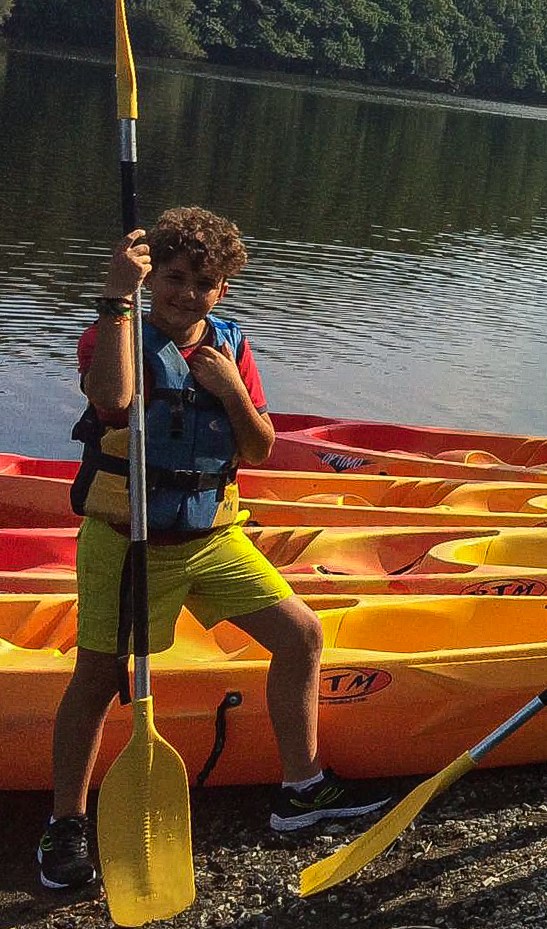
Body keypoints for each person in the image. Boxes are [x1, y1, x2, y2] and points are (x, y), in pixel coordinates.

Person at [39, 207, 387, 894]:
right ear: (150, 278)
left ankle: (300, 789)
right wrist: (116, 297)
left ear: (221, 290)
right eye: (172, 278)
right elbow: (112, 399)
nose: (186, 294)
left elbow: (257, 446)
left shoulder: (232, 346)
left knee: (300, 634)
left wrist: (230, 390)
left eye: (203, 283)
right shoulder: (116, 333)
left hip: (213, 535)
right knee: (98, 681)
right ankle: (65, 825)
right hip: (128, 542)